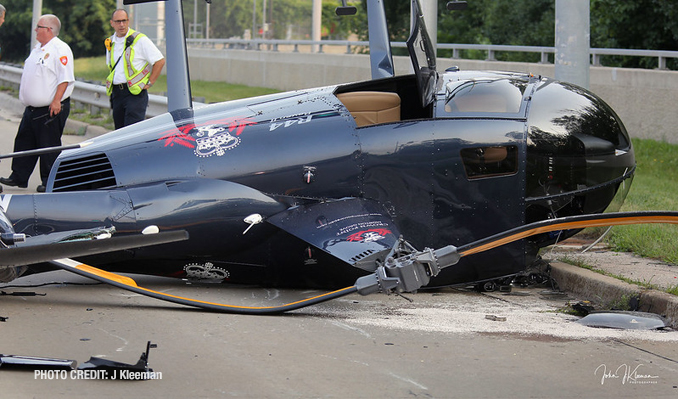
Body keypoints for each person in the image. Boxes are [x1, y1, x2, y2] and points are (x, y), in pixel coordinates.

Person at [0, 14, 74, 193]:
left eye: (38, 27)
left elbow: (65, 79)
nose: (35, 30)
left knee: (48, 145)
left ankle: (50, 180)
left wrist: (57, 100)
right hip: (32, 108)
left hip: (50, 107)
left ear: (49, 29)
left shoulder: (60, 49)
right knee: (24, 141)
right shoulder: (38, 48)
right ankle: (19, 176)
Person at [106, 8, 165, 129]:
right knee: (119, 132)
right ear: (112, 23)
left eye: (124, 21)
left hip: (135, 94)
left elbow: (160, 61)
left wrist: (150, 83)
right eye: (118, 21)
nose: (121, 24)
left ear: (129, 21)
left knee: (132, 132)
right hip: (117, 93)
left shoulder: (140, 39)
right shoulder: (110, 42)